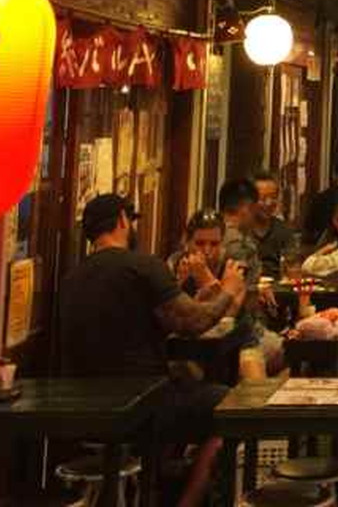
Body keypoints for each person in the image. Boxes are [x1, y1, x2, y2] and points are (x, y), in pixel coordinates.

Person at [60, 195, 246, 507]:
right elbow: (194, 322)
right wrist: (228, 289)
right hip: (140, 406)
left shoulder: (71, 277)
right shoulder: (142, 266)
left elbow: (145, 323)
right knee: (230, 405)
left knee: (186, 384)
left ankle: (156, 483)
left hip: (82, 408)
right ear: (122, 220)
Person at [218, 178, 283, 372]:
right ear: (247, 208)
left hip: (211, 325)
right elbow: (246, 301)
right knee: (283, 350)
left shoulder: (211, 233)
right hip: (237, 332)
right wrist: (255, 290)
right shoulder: (241, 244)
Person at [250, 171, 297, 278]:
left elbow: (292, 264)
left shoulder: (284, 231)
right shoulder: (241, 231)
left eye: (273, 197)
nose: (269, 203)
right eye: (263, 198)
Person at [168, 210, 225, 298]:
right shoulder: (173, 265)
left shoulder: (230, 269)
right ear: (187, 241)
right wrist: (179, 283)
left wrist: (207, 279)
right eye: (200, 243)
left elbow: (227, 305)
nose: (207, 251)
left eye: (214, 244)